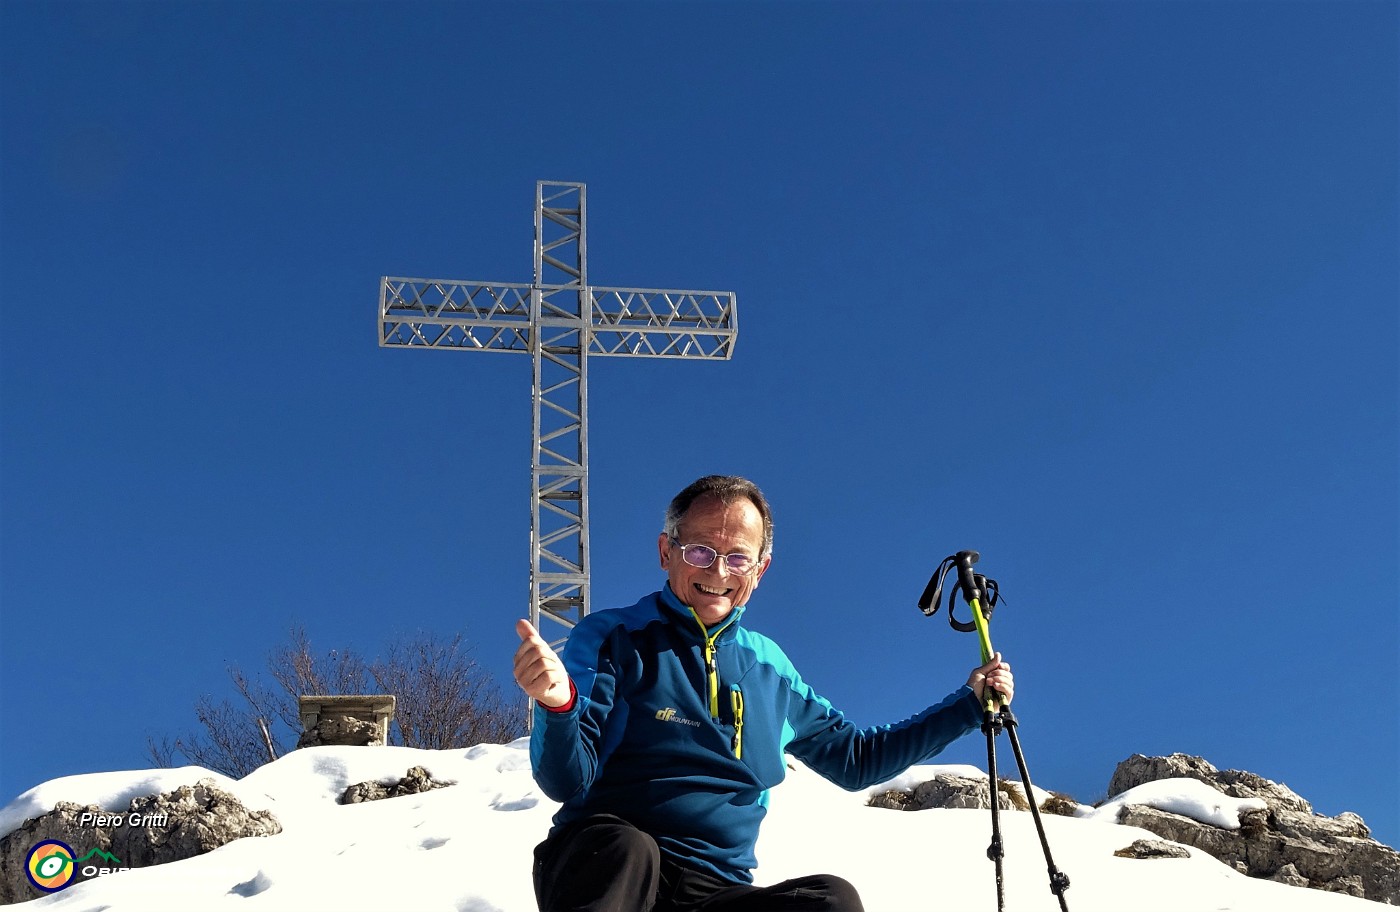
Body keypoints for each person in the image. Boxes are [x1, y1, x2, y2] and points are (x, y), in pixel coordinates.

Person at [513, 475, 1014, 912]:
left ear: (761, 568)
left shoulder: (768, 668)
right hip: (606, 868)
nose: (719, 572)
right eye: (700, 552)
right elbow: (566, 780)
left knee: (831, 901)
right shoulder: (614, 637)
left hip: (715, 892)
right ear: (667, 551)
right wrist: (558, 706)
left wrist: (967, 706)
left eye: (737, 557)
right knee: (627, 849)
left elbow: (858, 760)